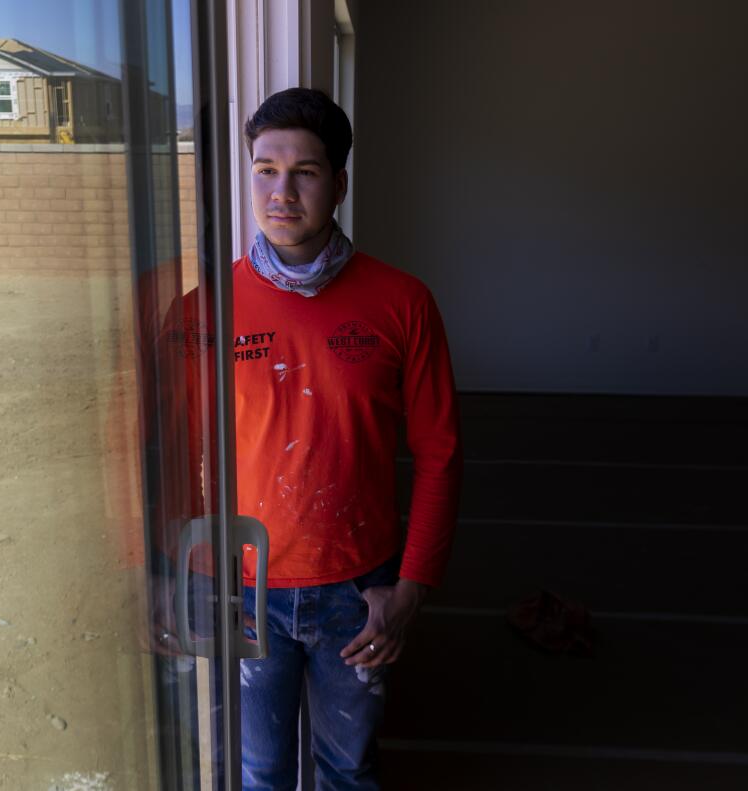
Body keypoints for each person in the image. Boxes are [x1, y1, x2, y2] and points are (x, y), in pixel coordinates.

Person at [225, 87, 463, 790]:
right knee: (259, 769)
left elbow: (440, 451)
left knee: (348, 767)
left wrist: (411, 588)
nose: (282, 191)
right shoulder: (209, 306)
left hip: (359, 590)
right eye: (266, 169)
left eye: (305, 171)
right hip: (249, 587)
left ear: (339, 184)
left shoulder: (402, 302)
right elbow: (177, 454)